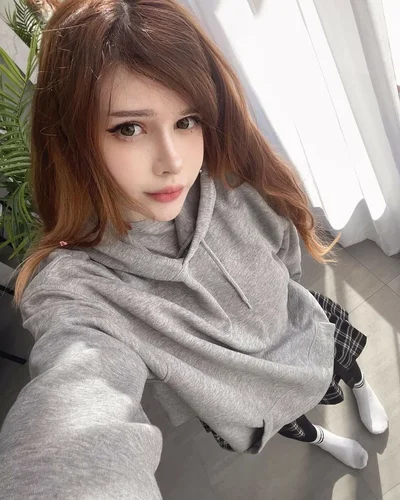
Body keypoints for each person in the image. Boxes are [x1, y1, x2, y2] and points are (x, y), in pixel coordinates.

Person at [0, 0, 389, 498]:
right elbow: (77, 401)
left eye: (187, 121)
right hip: (245, 401)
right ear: (72, 140)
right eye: (129, 128)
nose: (173, 162)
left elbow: (287, 260)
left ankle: (361, 387)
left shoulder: (233, 183)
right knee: (291, 425)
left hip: (302, 327)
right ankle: (324, 438)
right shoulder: (81, 290)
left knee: (344, 361)